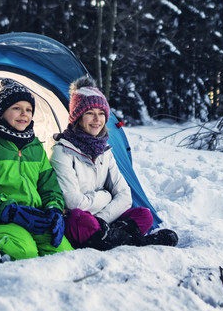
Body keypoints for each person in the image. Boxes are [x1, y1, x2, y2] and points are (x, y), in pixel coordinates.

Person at [50, 76, 178, 251]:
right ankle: (136, 241)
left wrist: (102, 220)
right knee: (79, 218)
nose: (97, 119)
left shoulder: (105, 151)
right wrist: (106, 196)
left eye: (101, 113)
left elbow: (125, 195)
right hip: (80, 221)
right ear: (77, 118)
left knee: (144, 214)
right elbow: (74, 203)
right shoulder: (62, 151)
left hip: (102, 220)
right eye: (90, 113)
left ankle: (108, 236)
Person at [0, 79, 74, 260]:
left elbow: (50, 187)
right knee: (25, 253)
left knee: (65, 255)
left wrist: (54, 210)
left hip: (37, 218)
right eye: (16, 108)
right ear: (2, 112)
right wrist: (12, 211)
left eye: (28, 110)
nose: (23, 114)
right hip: (4, 219)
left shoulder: (36, 148)